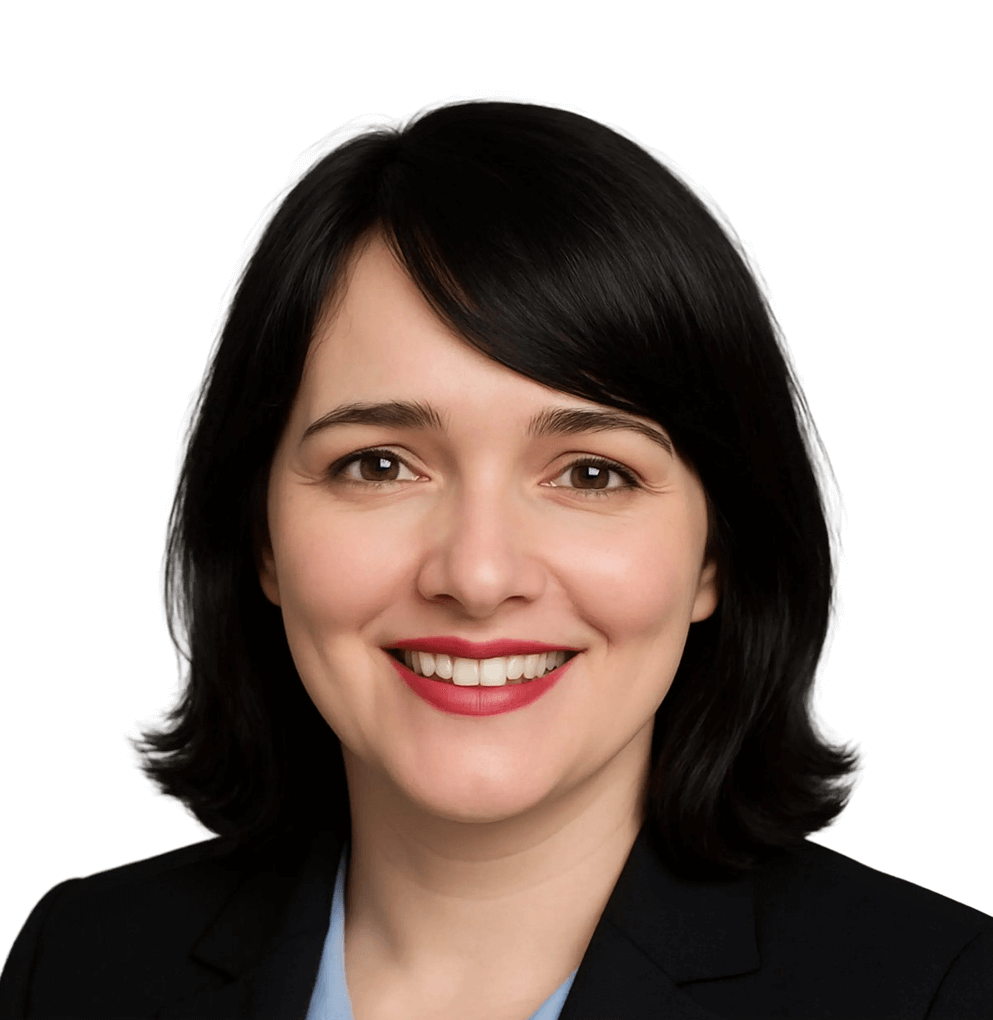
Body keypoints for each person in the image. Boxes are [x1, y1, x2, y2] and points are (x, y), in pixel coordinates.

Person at [1, 95, 989, 1020]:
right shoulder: (79, 967)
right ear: (259, 534)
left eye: (592, 474)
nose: (477, 577)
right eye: (378, 465)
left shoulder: (937, 992)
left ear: (716, 555)